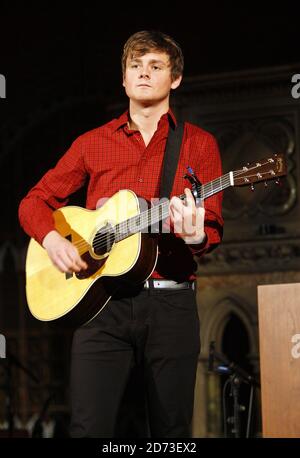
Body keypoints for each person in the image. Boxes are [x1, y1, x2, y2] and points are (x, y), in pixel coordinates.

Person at [18, 30, 223, 438]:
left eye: (156, 66)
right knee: (87, 428)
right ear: (124, 80)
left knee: (172, 432)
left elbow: (212, 228)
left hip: (172, 304)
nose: (144, 74)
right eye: (135, 66)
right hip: (102, 305)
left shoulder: (199, 144)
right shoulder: (92, 143)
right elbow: (33, 202)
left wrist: (196, 235)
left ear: (175, 79)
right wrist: (54, 240)